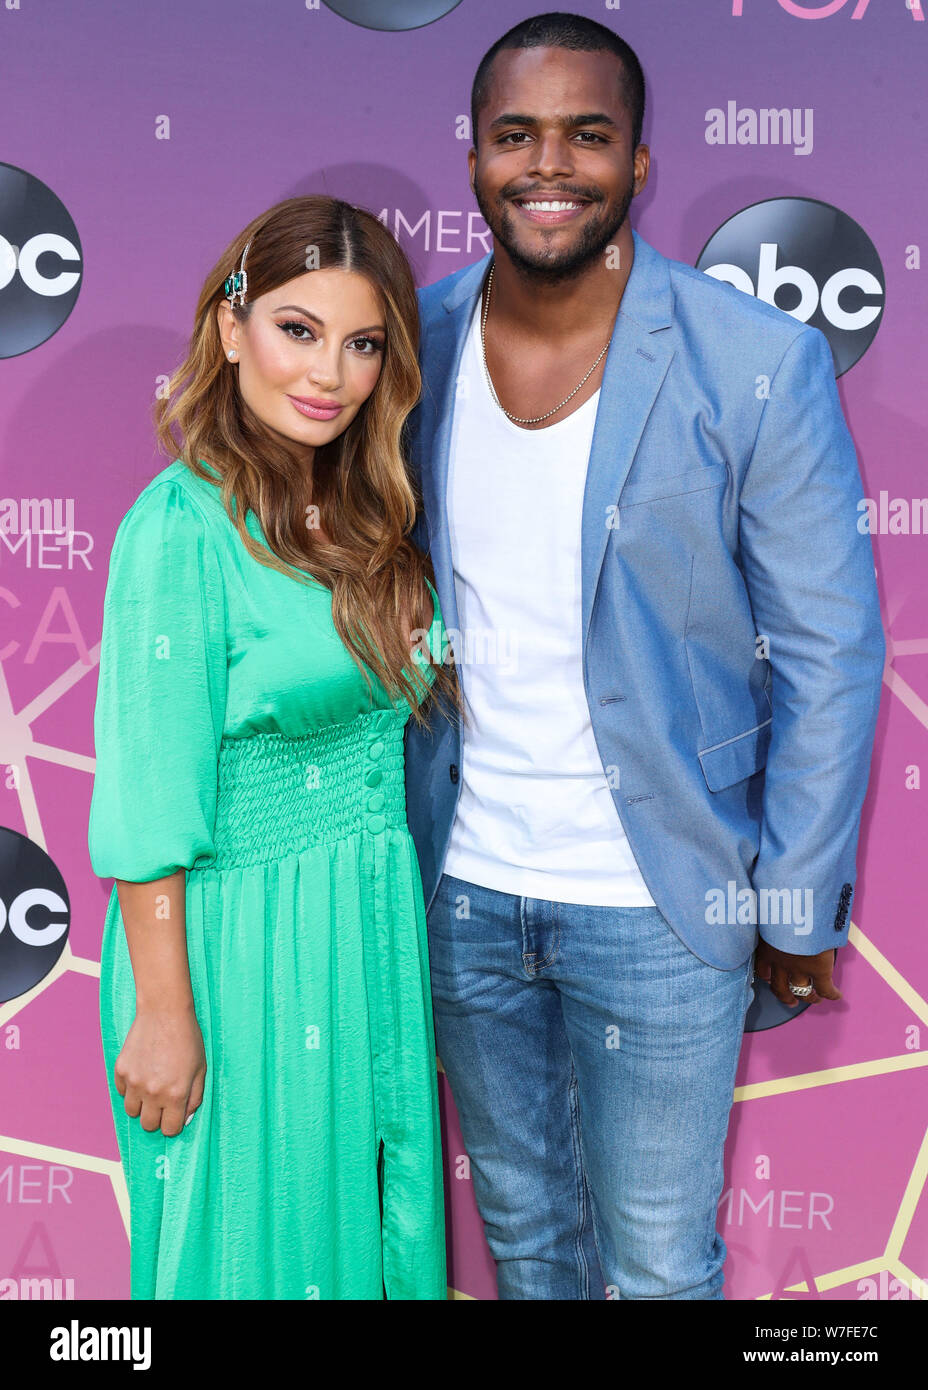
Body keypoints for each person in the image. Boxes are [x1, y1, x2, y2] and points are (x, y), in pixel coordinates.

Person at [403, 13, 885, 1300]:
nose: (547, 164)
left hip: (667, 905)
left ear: (639, 163)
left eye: (585, 135)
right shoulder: (407, 348)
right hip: (459, 895)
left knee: (661, 1267)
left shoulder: (755, 361)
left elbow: (833, 650)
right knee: (526, 1248)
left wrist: (792, 897)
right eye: (516, 135)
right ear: (472, 161)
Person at [88, 195, 458, 1300]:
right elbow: (149, 796)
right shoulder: (180, 526)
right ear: (229, 329)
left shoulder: (363, 521)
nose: (329, 374)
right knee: (245, 1254)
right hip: (230, 948)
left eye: (362, 344)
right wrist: (163, 1012)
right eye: (298, 329)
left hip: (360, 930)